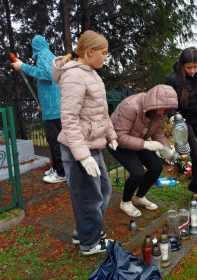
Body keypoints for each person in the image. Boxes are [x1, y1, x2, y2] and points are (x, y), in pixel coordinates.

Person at [52, 30, 118, 255]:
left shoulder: (91, 73)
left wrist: (111, 135)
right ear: (90, 52)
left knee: (103, 190)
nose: (106, 57)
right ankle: (90, 243)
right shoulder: (73, 76)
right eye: (104, 53)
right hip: (78, 148)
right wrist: (82, 155)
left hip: (93, 146)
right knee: (88, 196)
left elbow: (101, 112)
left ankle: (84, 231)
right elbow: (69, 118)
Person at [107, 85, 178, 217]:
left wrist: (167, 151)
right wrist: (145, 144)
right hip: (117, 142)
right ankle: (126, 201)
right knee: (138, 173)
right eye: (162, 108)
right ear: (153, 102)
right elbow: (119, 136)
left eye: (166, 109)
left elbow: (158, 133)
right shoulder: (131, 106)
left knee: (156, 167)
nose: (163, 112)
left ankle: (139, 197)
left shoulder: (158, 111)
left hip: (138, 140)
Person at [166, 47, 197, 213]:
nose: (192, 71)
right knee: (195, 155)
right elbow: (169, 102)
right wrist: (172, 115)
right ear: (182, 65)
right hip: (184, 121)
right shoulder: (173, 79)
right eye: (189, 67)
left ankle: (196, 182)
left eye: (195, 67)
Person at [11, 35, 65, 183]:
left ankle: (61, 173)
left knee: (55, 141)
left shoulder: (43, 55)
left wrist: (22, 66)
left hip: (54, 110)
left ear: (34, 47)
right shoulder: (49, 56)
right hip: (52, 107)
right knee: (53, 139)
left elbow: (46, 74)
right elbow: (52, 84)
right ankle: (57, 167)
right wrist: (43, 103)